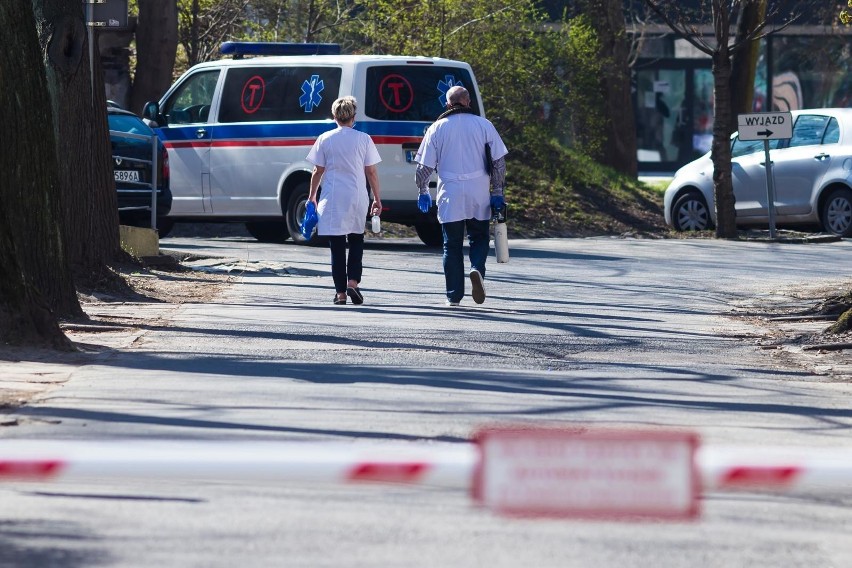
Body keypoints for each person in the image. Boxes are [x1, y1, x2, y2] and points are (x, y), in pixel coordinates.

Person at [414, 86, 508, 306]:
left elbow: (423, 168)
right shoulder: (485, 125)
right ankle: (476, 269)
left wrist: (423, 190)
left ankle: (454, 295)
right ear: (468, 102)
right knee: (479, 237)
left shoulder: (437, 128)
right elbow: (498, 163)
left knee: (451, 244)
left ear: (447, 104)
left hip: (450, 191)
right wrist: (497, 192)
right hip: (478, 190)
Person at [306, 96, 382, 305]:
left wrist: (312, 196)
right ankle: (353, 282)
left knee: (337, 245)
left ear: (334, 116)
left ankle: (340, 293)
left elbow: (317, 170)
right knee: (357, 239)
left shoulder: (325, 138)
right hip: (357, 196)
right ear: (354, 117)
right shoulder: (364, 139)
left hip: (332, 198)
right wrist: (377, 198)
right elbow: (372, 172)